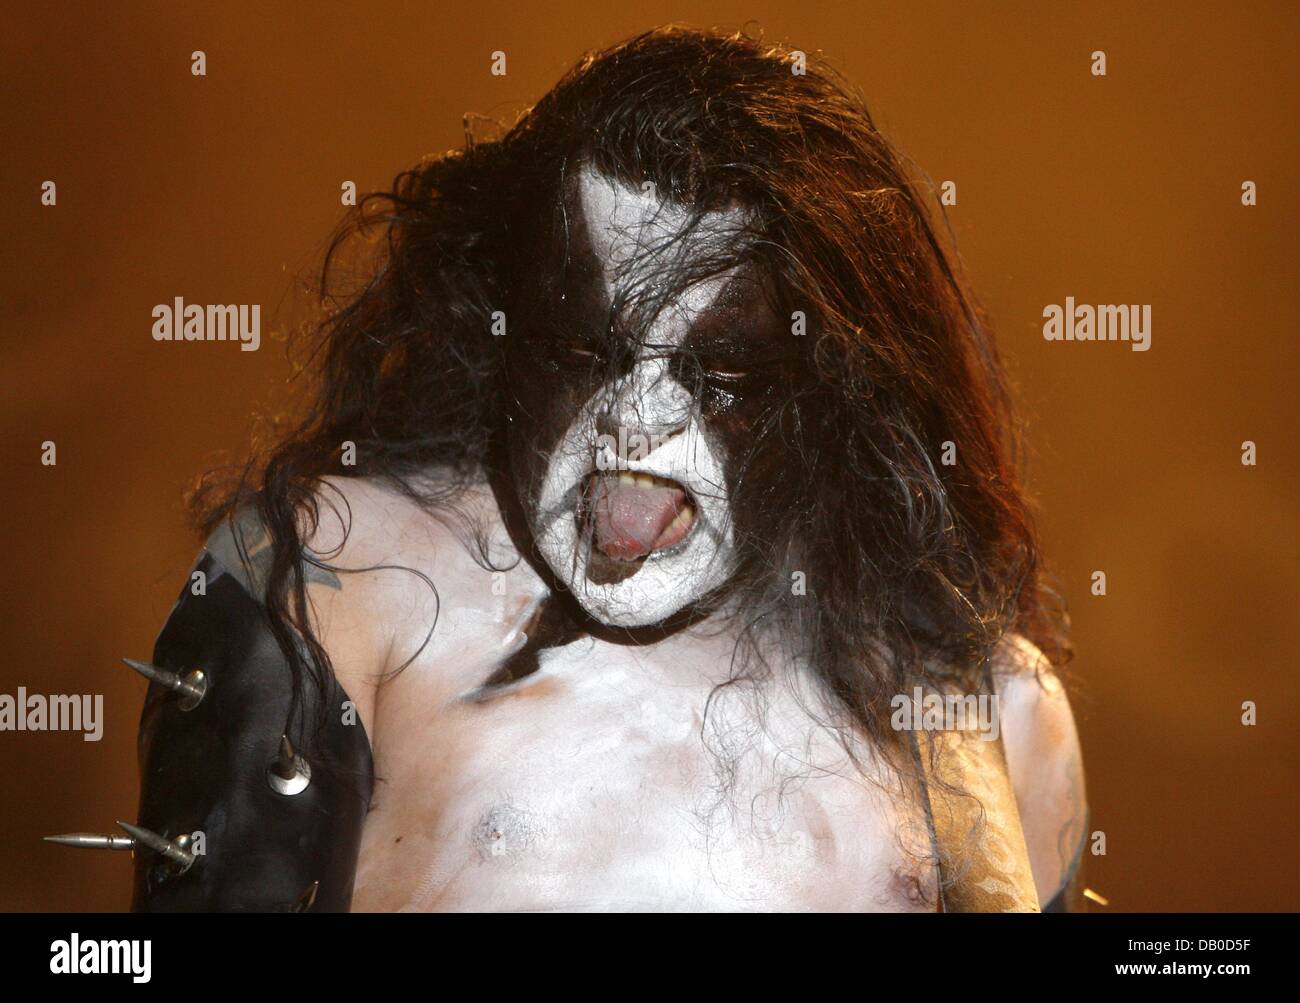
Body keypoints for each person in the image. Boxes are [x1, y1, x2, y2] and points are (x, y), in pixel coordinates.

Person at [58, 25, 1087, 912]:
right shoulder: (343, 576)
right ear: (502, 331)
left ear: (829, 390)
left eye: (719, 372)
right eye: (579, 353)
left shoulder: (983, 700)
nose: (634, 424)